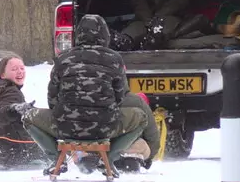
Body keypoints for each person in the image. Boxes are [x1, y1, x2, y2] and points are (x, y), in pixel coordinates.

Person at [24, 13, 154, 173]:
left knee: (27, 117)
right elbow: (120, 96)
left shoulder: (63, 58)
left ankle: (57, 159)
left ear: (78, 35)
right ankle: (109, 159)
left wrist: (67, 115)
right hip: (106, 127)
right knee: (141, 117)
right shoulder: (115, 59)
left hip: (65, 126)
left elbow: (52, 98)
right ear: (105, 35)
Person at [0, 55, 44, 169]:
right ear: (2, 75)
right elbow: (0, 114)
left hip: (0, 147)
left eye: (22, 68)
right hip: (19, 150)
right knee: (53, 145)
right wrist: (14, 109)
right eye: (14, 69)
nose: (20, 72)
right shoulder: (12, 91)